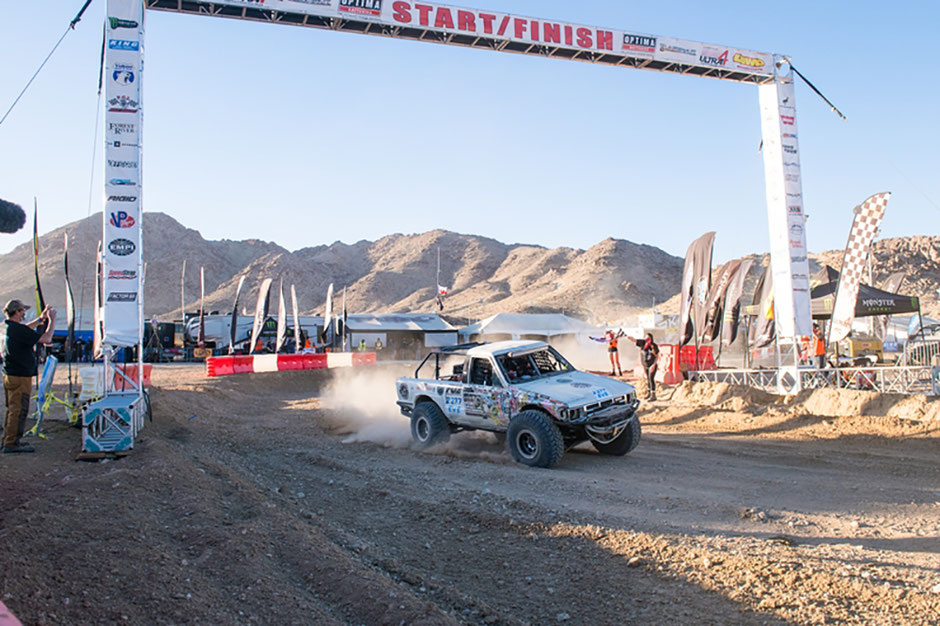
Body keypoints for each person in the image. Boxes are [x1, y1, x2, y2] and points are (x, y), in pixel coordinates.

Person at [2, 299, 55, 453]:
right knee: (18, 409)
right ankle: (11, 444)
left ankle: (8, 439)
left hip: (11, 374)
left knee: (12, 408)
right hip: (20, 376)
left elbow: (25, 329)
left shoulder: (9, 327)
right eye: (22, 310)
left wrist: (40, 319)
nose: (24, 313)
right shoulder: (17, 330)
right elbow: (46, 339)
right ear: (17, 312)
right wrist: (51, 322)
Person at [628, 332, 660, 401]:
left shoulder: (653, 346)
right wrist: (629, 337)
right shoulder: (643, 343)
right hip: (645, 365)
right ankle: (649, 393)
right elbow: (635, 340)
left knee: (651, 379)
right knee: (648, 379)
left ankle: (653, 395)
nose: (647, 339)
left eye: (649, 338)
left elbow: (657, 356)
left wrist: (654, 364)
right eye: (646, 338)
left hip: (652, 365)